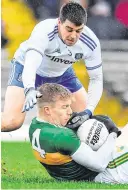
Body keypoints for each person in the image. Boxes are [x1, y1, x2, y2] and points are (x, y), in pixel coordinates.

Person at [2, 1, 103, 132]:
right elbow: (31, 64)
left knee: (86, 123)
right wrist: (29, 89)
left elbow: (96, 79)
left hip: (62, 73)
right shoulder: (44, 30)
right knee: (12, 122)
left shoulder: (91, 42)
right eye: (69, 29)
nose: (73, 36)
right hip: (27, 67)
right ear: (59, 22)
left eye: (78, 31)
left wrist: (89, 110)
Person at [29, 83, 128, 184]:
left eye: (69, 106)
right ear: (47, 110)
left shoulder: (35, 126)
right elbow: (99, 164)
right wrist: (112, 133)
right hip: (110, 172)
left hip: (83, 175)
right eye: (64, 107)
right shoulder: (61, 136)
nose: (70, 111)